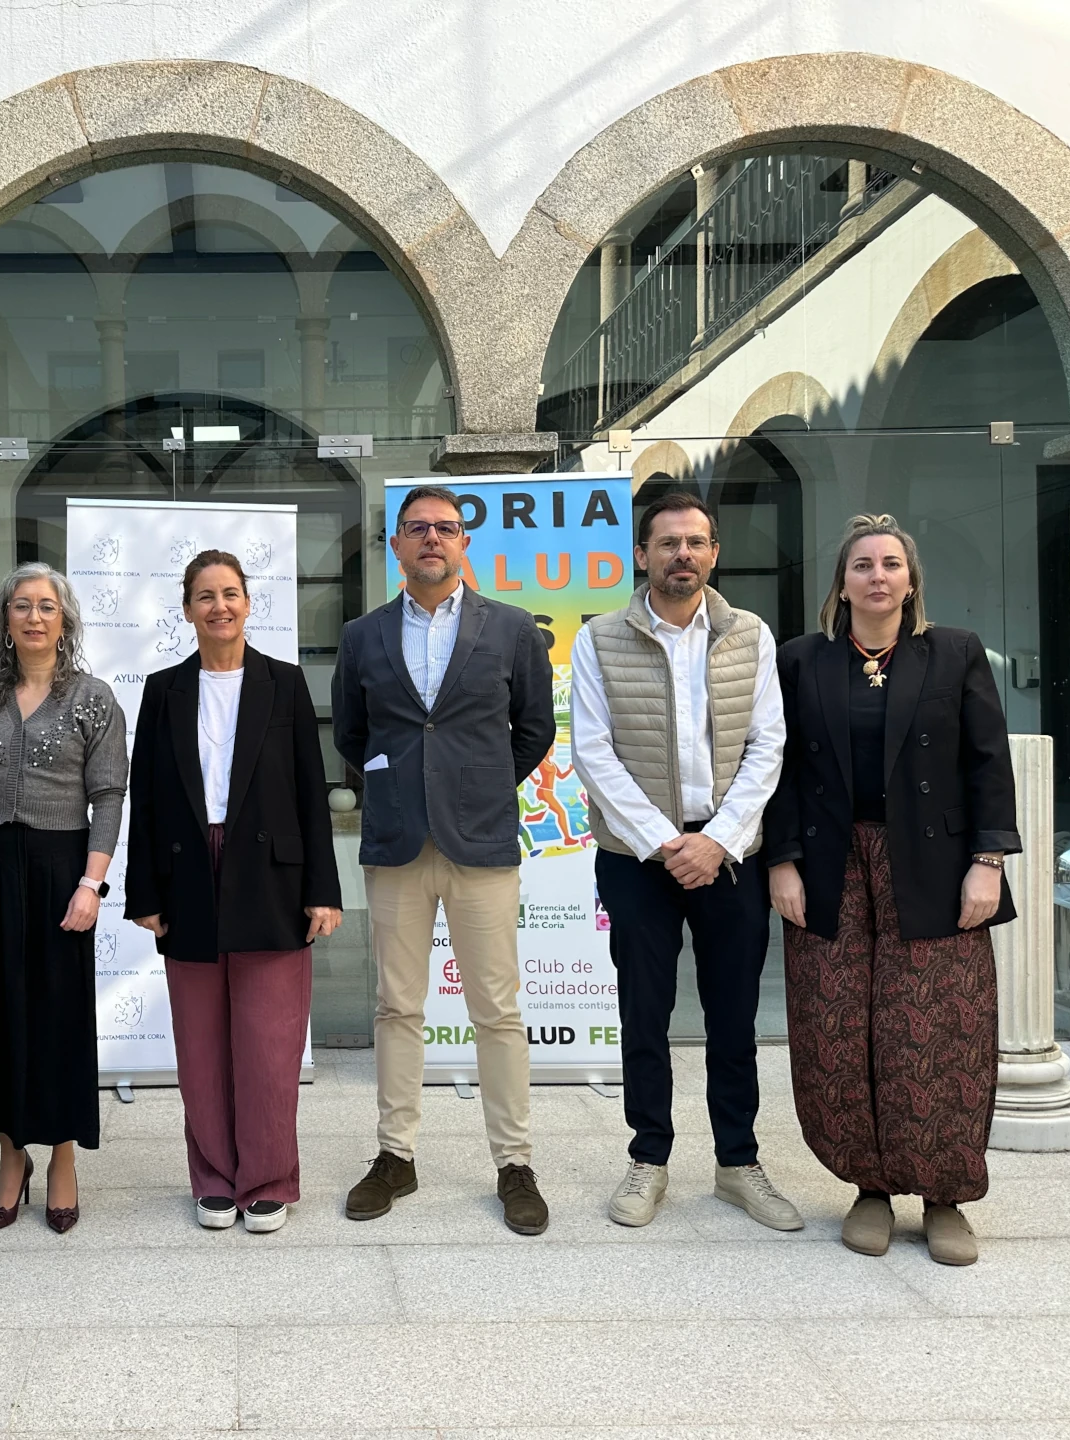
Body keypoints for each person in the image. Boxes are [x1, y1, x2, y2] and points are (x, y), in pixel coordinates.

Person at [765, 514, 1018, 1267]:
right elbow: (776, 767)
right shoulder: (800, 660)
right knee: (838, 1030)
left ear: (911, 581)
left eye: (891, 564)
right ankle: (870, 1187)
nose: (877, 576)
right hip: (829, 865)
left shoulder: (955, 652)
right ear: (841, 584)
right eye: (862, 565)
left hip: (935, 866)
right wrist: (781, 860)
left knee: (937, 1032)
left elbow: (988, 762)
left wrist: (989, 861)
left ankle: (943, 1196)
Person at [331, 484, 556, 1237]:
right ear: (396, 545)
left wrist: (476, 787)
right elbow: (353, 734)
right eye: (417, 527)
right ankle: (396, 1155)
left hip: (481, 844)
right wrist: (403, 790)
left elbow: (533, 729)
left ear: (465, 543)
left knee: (497, 1010)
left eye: (446, 527)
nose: (432, 537)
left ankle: (514, 1163)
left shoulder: (513, 629)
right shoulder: (362, 634)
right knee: (397, 1006)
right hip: (396, 845)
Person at [571, 491, 798, 1232]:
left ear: (714, 553)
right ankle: (649, 1157)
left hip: (729, 855)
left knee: (734, 1014)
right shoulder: (600, 638)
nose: (683, 555)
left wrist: (717, 840)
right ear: (642, 555)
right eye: (668, 543)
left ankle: (738, 1163)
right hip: (638, 857)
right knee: (645, 1012)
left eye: (696, 542)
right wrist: (664, 842)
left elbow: (768, 745)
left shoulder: (750, 634)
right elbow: (592, 751)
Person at [125, 550, 343, 1234]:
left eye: (230, 593)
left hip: (271, 876)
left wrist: (323, 889)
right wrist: (144, 892)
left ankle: (269, 1179)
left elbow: (310, 790)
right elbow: (145, 795)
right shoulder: (163, 689)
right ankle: (215, 1179)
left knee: (269, 1043)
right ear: (187, 609)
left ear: (248, 603)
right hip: (188, 871)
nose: (219, 606)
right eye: (205, 596)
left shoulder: (284, 682)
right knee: (200, 1045)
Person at [0, 563, 127, 1234]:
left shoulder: (93, 698)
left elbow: (109, 795)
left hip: (60, 867)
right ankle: (10, 1157)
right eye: (22, 605)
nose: (35, 617)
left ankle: (63, 1157)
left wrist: (90, 884)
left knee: (56, 1015)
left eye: (47, 606)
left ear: (65, 620)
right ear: (6, 620)